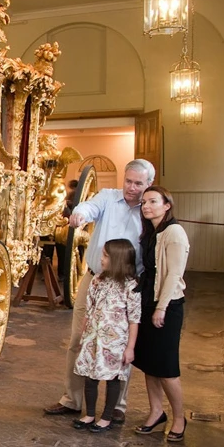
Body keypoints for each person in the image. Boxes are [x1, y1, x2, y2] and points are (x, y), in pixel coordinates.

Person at [43, 159, 154, 423]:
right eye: (128, 181)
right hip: (95, 281)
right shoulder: (108, 197)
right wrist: (80, 214)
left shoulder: (149, 209)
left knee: (123, 347)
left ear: (148, 184)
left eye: (138, 183)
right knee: (77, 341)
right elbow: (89, 206)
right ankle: (72, 400)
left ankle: (117, 406)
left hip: (128, 286)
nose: (131, 187)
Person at [133, 186, 189, 442]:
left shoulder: (174, 232)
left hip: (166, 305)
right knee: (149, 364)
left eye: (153, 201)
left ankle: (179, 417)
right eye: (144, 202)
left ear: (167, 205)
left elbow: (174, 275)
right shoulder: (152, 232)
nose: (146, 206)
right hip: (147, 302)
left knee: (166, 368)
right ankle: (156, 411)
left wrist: (161, 307)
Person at [72, 239, 140, 433]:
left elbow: (134, 319)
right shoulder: (98, 280)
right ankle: (90, 414)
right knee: (90, 378)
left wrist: (130, 347)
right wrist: (82, 336)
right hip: (93, 338)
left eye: (105, 256)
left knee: (112, 380)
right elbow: (89, 310)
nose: (101, 259)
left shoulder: (131, 286)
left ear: (117, 259)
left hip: (115, 343)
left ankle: (107, 417)